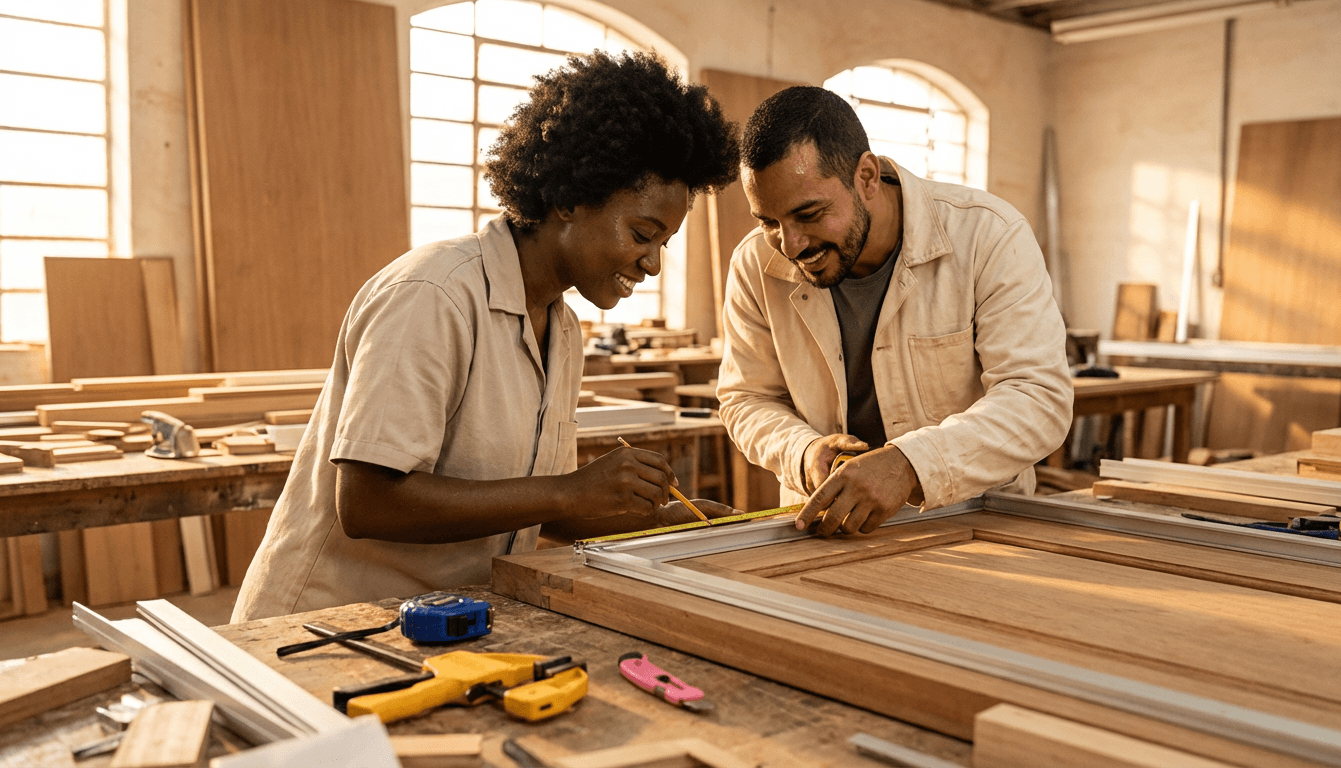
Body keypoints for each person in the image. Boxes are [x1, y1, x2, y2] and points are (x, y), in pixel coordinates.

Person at [233, 52, 740, 622]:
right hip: (326, 627)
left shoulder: (561, 329)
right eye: (642, 234)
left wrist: (655, 523)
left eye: (663, 244)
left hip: (442, 623)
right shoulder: (434, 295)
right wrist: (570, 489)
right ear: (568, 199)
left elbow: (525, 506)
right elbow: (369, 503)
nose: (652, 264)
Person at [716, 86, 1072, 538]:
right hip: (829, 532)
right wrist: (803, 452)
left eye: (809, 214)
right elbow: (747, 398)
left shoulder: (988, 236)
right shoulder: (755, 262)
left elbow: (1038, 397)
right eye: (769, 221)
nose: (790, 245)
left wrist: (911, 464)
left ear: (866, 177)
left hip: (977, 522)